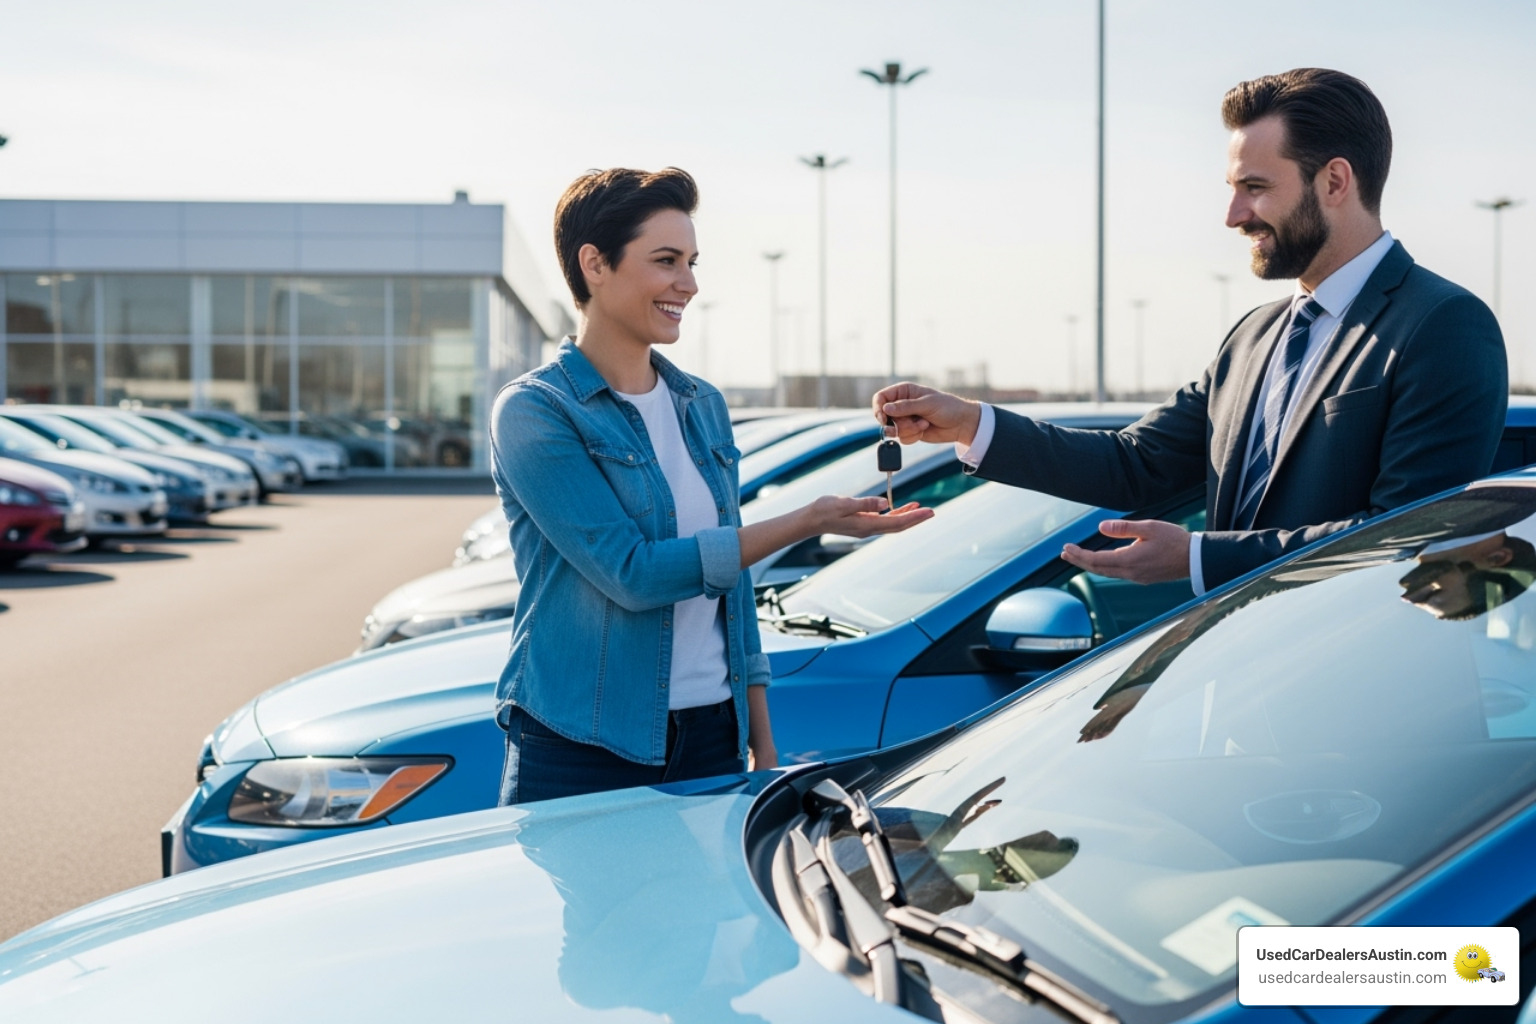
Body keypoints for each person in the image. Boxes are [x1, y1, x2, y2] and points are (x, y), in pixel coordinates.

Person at [872, 68, 1508, 594]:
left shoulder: (1443, 325)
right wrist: (971, 424)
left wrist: (1201, 558)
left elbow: (1403, 537)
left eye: (1255, 189)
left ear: (1335, 181)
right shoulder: (1254, 337)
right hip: (1236, 699)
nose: (1233, 216)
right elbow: (1136, 463)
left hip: (1366, 724)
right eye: (1232, 189)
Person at [490, 167, 932, 806]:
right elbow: (633, 575)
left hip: (710, 739)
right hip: (580, 748)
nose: (689, 284)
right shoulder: (537, 411)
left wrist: (762, 736)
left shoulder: (702, 405)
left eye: (693, 262)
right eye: (666, 261)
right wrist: (808, 520)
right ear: (595, 264)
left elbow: (733, 580)